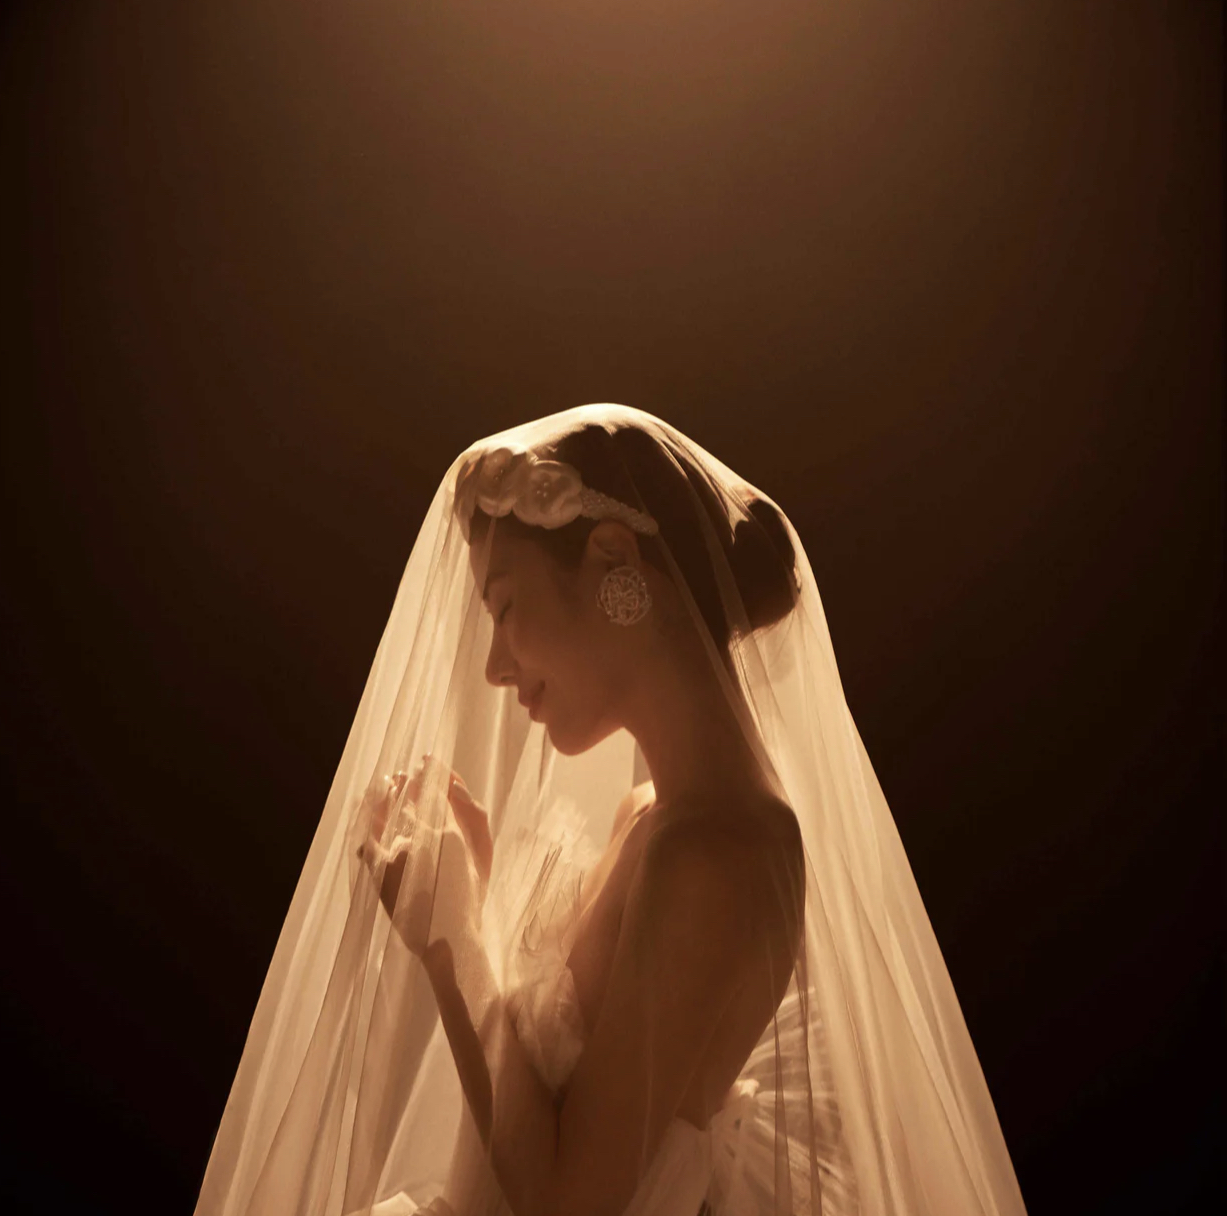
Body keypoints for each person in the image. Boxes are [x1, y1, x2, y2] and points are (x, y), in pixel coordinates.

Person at [194, 405, 1029, 1216]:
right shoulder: (649, 818)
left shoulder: (724, 846)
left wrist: (453, 939)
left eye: (506, 607)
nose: (494, 666)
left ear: (613, 561)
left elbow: (567, 1203)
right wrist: (467, 893)